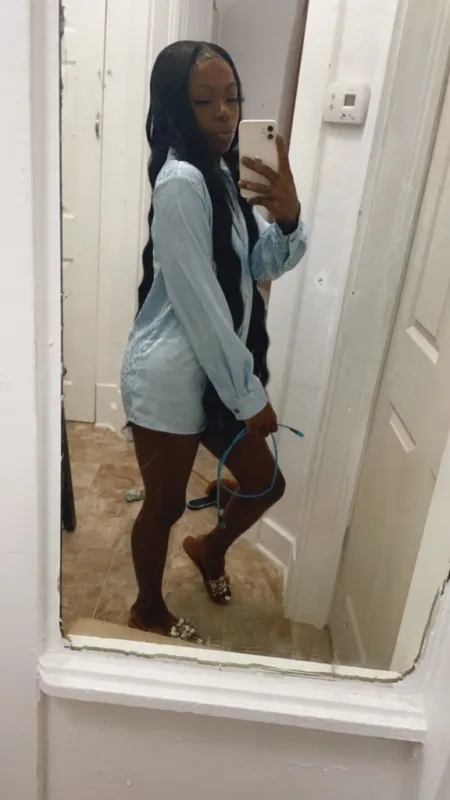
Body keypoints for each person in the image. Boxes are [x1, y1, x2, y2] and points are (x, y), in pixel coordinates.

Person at [121, 40, 307, 642]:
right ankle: (148, 608)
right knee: (164, 505)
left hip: (217, 373)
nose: (224, 113)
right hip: (172, 377)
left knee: (265, 484)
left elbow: (259, 266)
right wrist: (248, 397)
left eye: (232, 98)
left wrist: (288, 218)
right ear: (178, 108)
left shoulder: (223, 174)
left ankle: (210, 548)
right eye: (205, 101)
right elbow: (201, 307)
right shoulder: (180, 182)